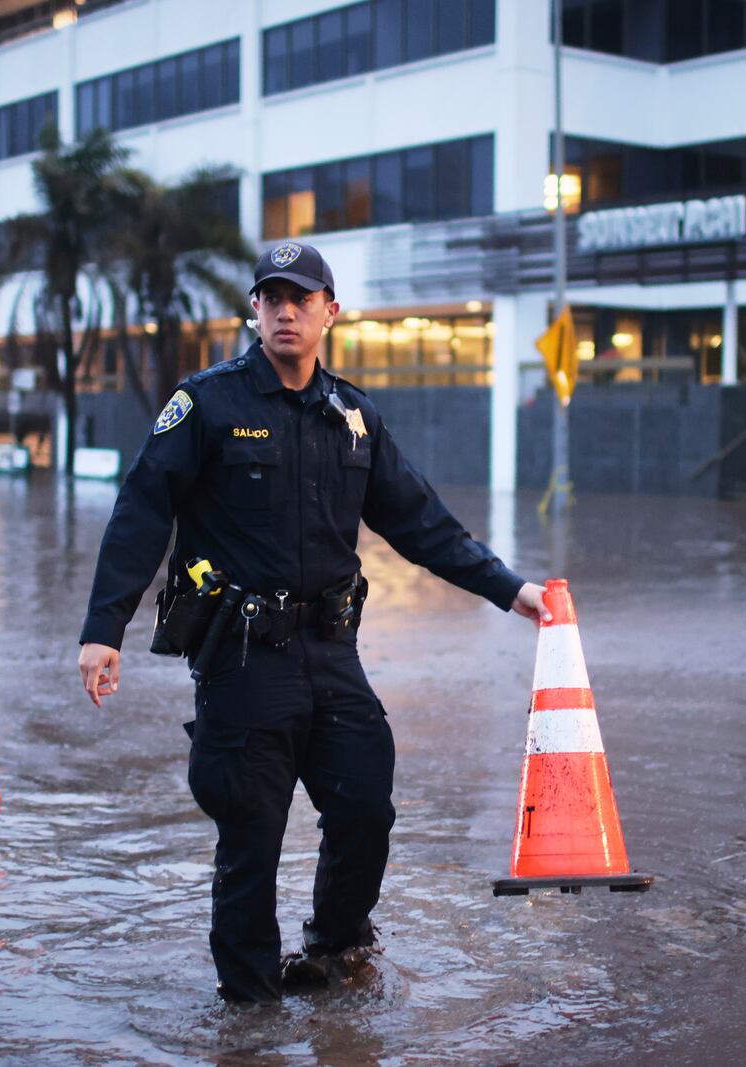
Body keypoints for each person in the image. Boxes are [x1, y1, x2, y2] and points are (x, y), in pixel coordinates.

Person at [77, 240, 549, 1003]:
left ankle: (332, 950)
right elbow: (141, 511)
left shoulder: (354, 416)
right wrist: (104, 628)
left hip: (332, 655)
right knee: (251, 840)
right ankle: (252, 1013)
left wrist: (510, 589)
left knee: (366, 804)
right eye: (272, 297)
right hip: (241, 662)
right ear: (255, 311)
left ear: (331, 312)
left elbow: (422, 524)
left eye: (302, 297)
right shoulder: (207, 405)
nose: (286, 310)